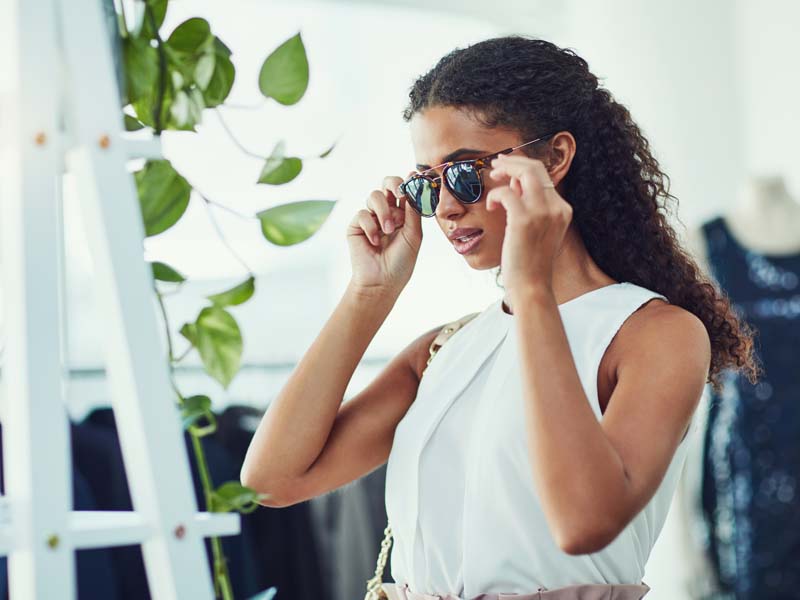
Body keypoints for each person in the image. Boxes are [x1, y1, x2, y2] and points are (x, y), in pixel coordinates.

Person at [240, 35, 760, 599]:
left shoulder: (655, 334)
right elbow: (272, 481)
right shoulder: (444, 349)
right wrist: (370, 294)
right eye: (426, 183)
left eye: (465, 173)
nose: (445, 207)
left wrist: (531, 286)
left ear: (555, 158)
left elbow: (584, 522)